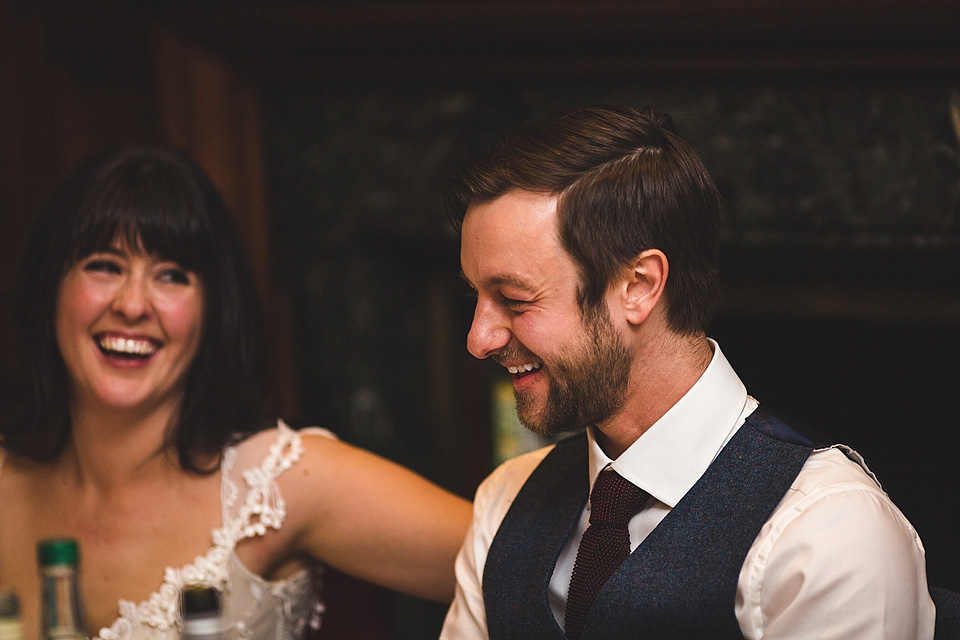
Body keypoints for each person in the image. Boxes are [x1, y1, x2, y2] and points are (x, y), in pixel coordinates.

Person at [439, 105, 937, 639]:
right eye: (476, 296)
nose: (477, 339)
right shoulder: (506, 502)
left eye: (514, 300)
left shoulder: (828, 534)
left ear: (639, 285)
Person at [0, 146, 472, 640]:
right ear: (49, 287)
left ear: (213, 312)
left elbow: (537, 572)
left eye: (171, 276)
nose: (133, 304)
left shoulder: (278, 483)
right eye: (104, 265)